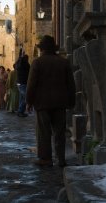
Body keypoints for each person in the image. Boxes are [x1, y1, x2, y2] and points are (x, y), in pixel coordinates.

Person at [26, 35, 76, 167]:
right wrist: (71, 101)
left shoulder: (37, 62)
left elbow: (31, 84)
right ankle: (61, 159)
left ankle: (45, 158)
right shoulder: (63, 62)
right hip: (60, 102)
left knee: (44, 132)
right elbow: (71, 84)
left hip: (42, 103)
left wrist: (29, 102)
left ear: (42, 49)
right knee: (60, 132)